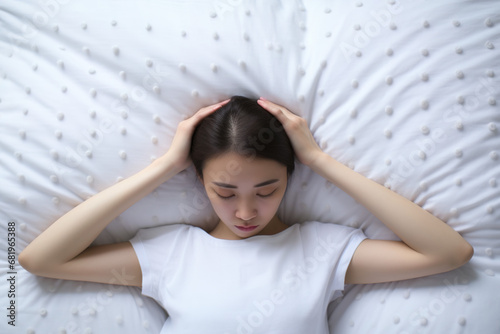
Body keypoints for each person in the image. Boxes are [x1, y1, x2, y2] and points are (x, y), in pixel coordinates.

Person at [19, 96, 473, 333]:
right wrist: (163, 167)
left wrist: (318, 160)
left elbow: (449, 252)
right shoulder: (173, 252)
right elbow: (42, 260)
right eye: (225, 191)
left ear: (289, 179)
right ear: (199, 182)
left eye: (267, 189)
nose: (246, 211)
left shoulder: (321, 249)